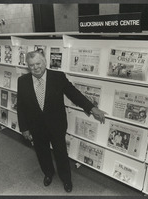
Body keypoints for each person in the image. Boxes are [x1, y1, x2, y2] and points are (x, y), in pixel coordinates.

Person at [17, 51, 106, 193]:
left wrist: (92, 108)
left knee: (60, 153)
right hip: (36, 126)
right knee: (41, 152)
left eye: (38, 63)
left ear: (45, 62)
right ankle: (48, 173)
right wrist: (24, 128)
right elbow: (21, 106)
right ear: (28, 66)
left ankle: (66, 179)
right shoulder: (22, 81)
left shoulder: (58, 77)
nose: (36, 68)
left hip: (56, 125)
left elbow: (74, 94)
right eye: (31, 65)